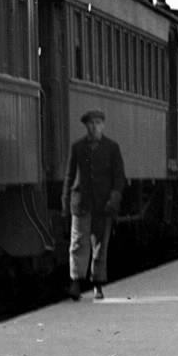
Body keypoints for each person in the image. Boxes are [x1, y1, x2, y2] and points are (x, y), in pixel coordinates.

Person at [62, 109, 127, 301]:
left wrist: (114, 199)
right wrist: (65, 199)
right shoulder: (77, 147)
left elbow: (119, 177)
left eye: (98, 123)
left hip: (103, 204)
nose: (94, 126)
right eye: (91, 123)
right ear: (86, 126)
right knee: (78, 244)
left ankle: (98, 283)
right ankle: (75, 282)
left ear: (103, 125)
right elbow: (69, 175)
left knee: (100, 245)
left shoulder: (112, 148)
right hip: (81, 202)